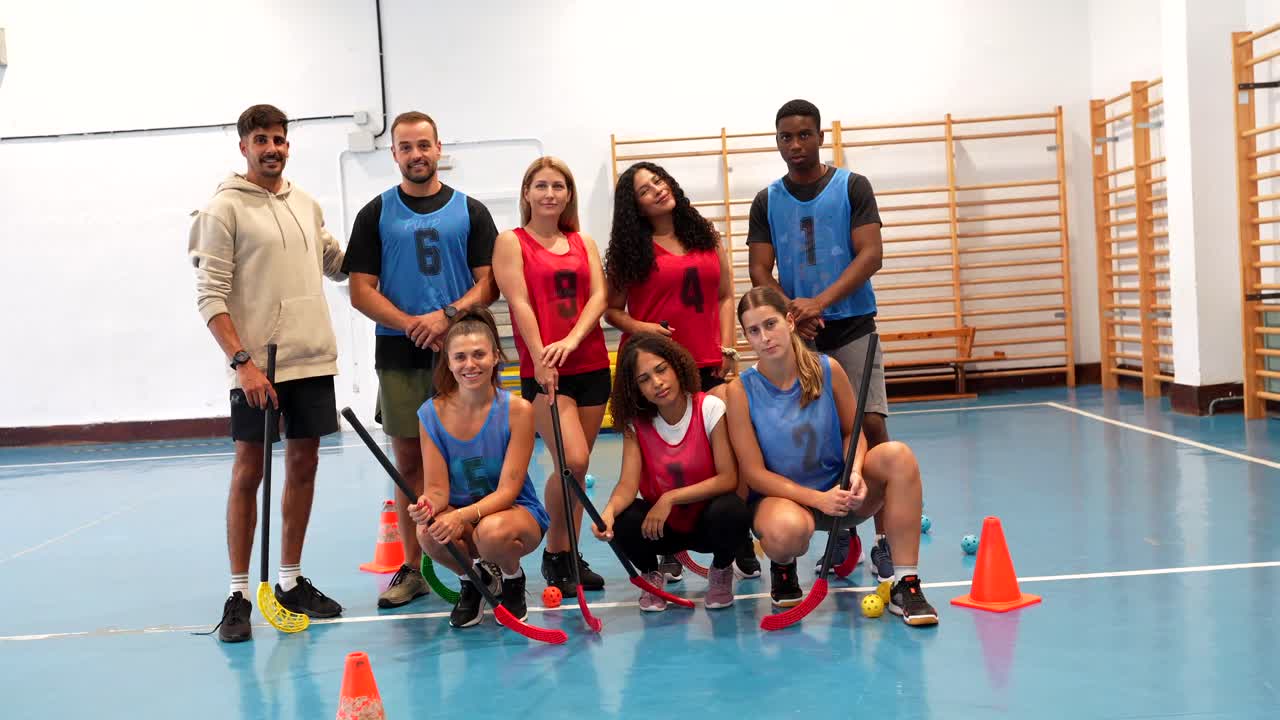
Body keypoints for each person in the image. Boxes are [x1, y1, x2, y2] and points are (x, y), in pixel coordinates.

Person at [190, 104, 347, 643]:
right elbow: (209, 297)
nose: (272, 148)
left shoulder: (305, 203)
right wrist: (243, 364)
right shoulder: (222, 210)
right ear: (243, 147)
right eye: (261, 139)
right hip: (258, 369)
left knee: (303, 464)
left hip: (312, 359)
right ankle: (238, 594)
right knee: (248, 471)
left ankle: (289, 580)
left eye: (279, 139)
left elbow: (334, 262)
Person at [343, 110, 499, 608]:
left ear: (439, 148)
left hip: (463, 352)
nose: (416, 155)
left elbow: (489, 282)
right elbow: (360, 290)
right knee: (407, 460)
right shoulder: (375, 213)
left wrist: (445, 315)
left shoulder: (470, 211)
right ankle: (412, 566)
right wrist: (412, 322)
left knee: (472, 454)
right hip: (398, 351)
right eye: (406, 147)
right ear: (394, 154)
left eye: (424, 145)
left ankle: (482, 555)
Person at [725, 287, 938, 626]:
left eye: (770, 324)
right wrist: (817, 500)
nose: (764, 337)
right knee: (785, 533)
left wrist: (854, 470)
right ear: (745, 336)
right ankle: (783, 566)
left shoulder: (828, 369)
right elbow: (753, 473)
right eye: (753, 330)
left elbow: (853, 432)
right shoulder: (739, 391)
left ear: (790, 321)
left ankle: (906, 583)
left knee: (898, 455)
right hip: (786, 501)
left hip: (841, 495)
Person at [747, 98, 895, 581]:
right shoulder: (767, 199)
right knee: (815, 436)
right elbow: (757, 269)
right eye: (785, 137)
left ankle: (884, 538)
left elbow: (870, 255)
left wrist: (819, 304)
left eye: (803, 135)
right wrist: (794, 311)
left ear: (820, 136)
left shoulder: (852, 186)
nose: (795, 145)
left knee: (869, 427)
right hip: (798, 333)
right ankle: (840, 528)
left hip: (850, 324)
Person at [603, 162, 759, 583]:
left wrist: (728, 347)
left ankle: (734, 538)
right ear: (632, 205)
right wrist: (641, 328)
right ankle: (664, 546)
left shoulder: (704, 233)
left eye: (658, 181)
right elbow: (611, 309)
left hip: (708, 363)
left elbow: (726, 294)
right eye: (643, 190)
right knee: (660, 454)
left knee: (730, 456)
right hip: (655, 371)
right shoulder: (630, 251)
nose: (655, 190)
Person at [492, 157, 611, 597]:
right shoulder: (512, 242)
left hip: (592, 363)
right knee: (573, 460)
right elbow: (518, 301)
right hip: (544, 370)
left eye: (558, 186)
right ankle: (555, 550)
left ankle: (567, 558)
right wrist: (541, 356)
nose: (549, 193)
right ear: (526, 193)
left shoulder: (583, 242)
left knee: (575, 473)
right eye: (540, 185)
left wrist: (575, 340)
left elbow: (599, 297)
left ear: (568, 194)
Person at [406, 309, 550, 628]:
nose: (470, 365)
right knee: (426, 532)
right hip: (461, 514)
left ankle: (512, 578)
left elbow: (508, 491)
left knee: (491, 533)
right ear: (448, 361)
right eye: (460, 357)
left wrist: (458, 517)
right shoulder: (430, 414)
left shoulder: (519, 411)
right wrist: (428, 505)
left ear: (496, 357)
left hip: (512, 513)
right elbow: (438, 489)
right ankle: (471, 579)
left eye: (479, 355)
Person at [589, 334, 749, 611]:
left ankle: (722, 570)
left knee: (732, 509)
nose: (657, 383)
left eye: (661, 370)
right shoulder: (635, 424)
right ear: (635, 388)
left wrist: (670, 498)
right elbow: (627, 484)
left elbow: (728, 478)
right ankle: (652, 575)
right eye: (644, 379)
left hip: (706, 523)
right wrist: (608, 513)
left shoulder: (709, 408)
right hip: (663, 528)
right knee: (625, 519)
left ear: (676, 366)